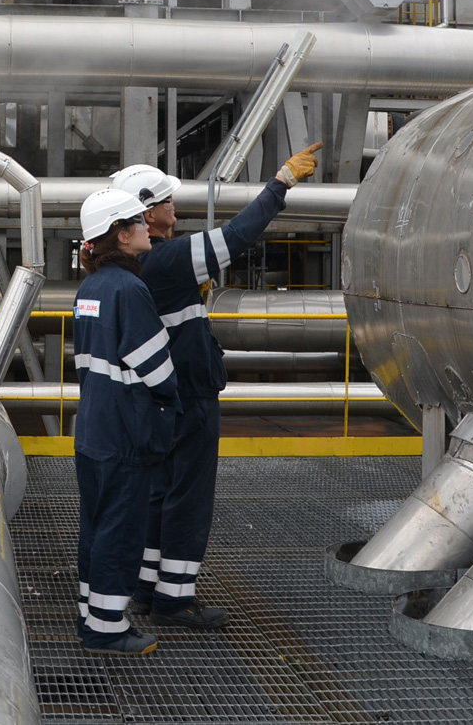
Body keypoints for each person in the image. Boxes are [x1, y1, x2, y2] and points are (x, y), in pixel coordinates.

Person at [109, 142, 322, 629]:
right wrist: (281, 182)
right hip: (189, 396)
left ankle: (147, 588)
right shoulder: (164, 260)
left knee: (161, 493)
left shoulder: (137, 266)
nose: (172, 208)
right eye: (164, 202)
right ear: (145, 213)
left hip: (164, 398)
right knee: (189, 496)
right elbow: (237, 236)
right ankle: (175, 599)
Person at [70, 188, 179, 655]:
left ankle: (91, 615)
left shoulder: (90, 288)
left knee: (96, 525)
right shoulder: (130, 289)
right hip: (125, 435)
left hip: (94, 428)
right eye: (139, 220)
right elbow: (156, 368)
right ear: (121, 233)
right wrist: (172, 400)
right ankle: (107, 629)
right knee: (120, 529)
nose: (147, 225)